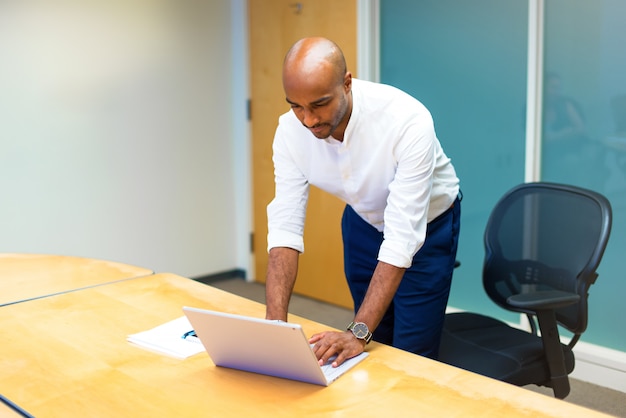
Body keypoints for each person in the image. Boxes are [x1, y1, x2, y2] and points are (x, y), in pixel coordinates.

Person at [264, 37, 461, 368]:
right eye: (296, 106)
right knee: (374, 343)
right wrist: (274, 326)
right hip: (363, 221)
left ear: (346, 83)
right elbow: (284, 228)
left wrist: (357, 332)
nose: (308, 120)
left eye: (319, 104)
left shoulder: (407, 120)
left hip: (427, 227)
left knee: (412, 355)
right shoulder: (289, 131)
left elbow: (401, 238)